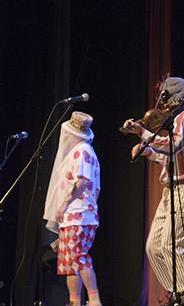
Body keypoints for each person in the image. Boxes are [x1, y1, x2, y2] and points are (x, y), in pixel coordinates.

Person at [123, 77, 184, 306]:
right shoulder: (177, 119)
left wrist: (142, 132)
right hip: (171, 190)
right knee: (154, 246)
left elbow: (174, 145)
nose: (163, 104)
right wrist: (147, 152)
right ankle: (179, 294)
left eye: (166, 98)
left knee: (177, 246)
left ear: (178, 97)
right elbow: (169, 155)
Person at [43, 111, 102, 306]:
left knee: (79, 257)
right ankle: (74, 302)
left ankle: (94, 300)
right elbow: (97, 188)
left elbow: (83, 181)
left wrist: (65, 203)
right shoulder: (83, 151)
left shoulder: (82, 151)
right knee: (70, 264)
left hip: (79, 215)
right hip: (76, 216)